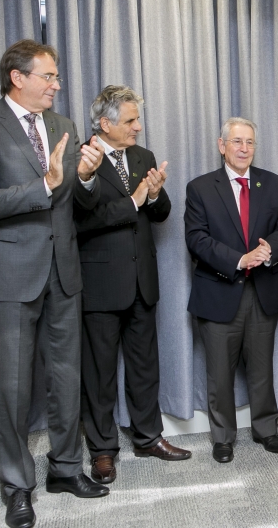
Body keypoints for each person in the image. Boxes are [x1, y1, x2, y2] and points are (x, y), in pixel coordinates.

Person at [0, 39, 109, 528]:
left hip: (63, 270)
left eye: (57, 76)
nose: (57, 85)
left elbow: (79, 203)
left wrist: (86, 177)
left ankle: (65, 468)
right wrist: (45, 183)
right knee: (14, 386)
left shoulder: (63, 126)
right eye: (49, 76)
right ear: (18, 77)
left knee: (66, 379)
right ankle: (16, 484)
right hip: (9, 274)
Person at [75, 86, 191, 485]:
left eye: (137, 119)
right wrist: (135, 200)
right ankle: (103, 450)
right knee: (100, 374)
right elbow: (80, 221)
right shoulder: (83, 159)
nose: (138, 127)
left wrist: (154, 196)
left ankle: (148, 437)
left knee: (145, 367)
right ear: (105, 124)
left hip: (143, 282)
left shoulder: (142, 157)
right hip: (101, 284)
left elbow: (161, 213)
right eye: (130, 120)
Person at [184, 117, 278, 463]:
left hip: (263, 291)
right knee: (219, 373)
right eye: (236, 141)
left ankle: (266, 430)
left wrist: (269, 249)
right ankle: (223, 438)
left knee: (262, 369)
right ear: (222, 146)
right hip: (219, 292)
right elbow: (196, 239)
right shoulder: (200, 188)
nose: (244, 148)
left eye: (249, 142)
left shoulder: (272, 183)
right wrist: (239, 259)